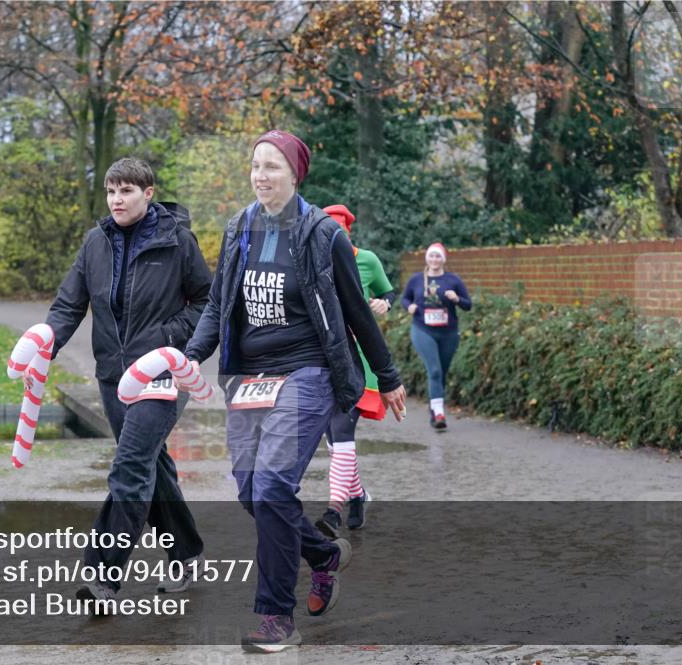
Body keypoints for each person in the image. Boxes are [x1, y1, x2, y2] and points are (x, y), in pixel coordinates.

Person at [183, 130, 406, 653]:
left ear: (295, 174)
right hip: (249, 376)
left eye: (273, 167)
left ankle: (274, 618)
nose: (262, 176)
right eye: (256, 166)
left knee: (272, 488)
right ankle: (324, 555)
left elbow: (356, 310)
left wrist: (389, 376)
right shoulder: (238, 226)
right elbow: (218, 305)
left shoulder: (322, 234)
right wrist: (191, 355)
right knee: (250, 492)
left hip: (307, 371)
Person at [45, 157, 213, 605]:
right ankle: (187, 551)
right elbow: (67, 306)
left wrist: (166, 339)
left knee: (130, 467)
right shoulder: (95, 243)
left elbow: (206, 302)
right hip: (112, 377)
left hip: (163, 373)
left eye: (127, 191)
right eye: (111, 191)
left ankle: (102, 576)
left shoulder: (177, 240)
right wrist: (44, 346)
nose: (117, 200)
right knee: (151, 466)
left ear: (148, 193)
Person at [315, 204, 395, 539]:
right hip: (320, 362)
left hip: (359, 362)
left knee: (342, 429)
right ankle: (358, 495)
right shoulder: (309, 260)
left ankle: (334, 509)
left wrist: (384, 303)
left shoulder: (368, 260)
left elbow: (388, 291)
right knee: (335, 441)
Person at [400, 242, 472, 429]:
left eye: (438, 256)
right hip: (423, 329)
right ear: (427, 258)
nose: (434, 259)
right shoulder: (416, 279)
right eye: (431, 256)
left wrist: (457, 299)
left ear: (443, 259)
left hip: (448, 332)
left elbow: (468, 304)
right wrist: (410, 307)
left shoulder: (453, 280)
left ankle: (434, 407)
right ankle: (439, 414)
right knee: (435, 371)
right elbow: (404, 298)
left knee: (441, 373)